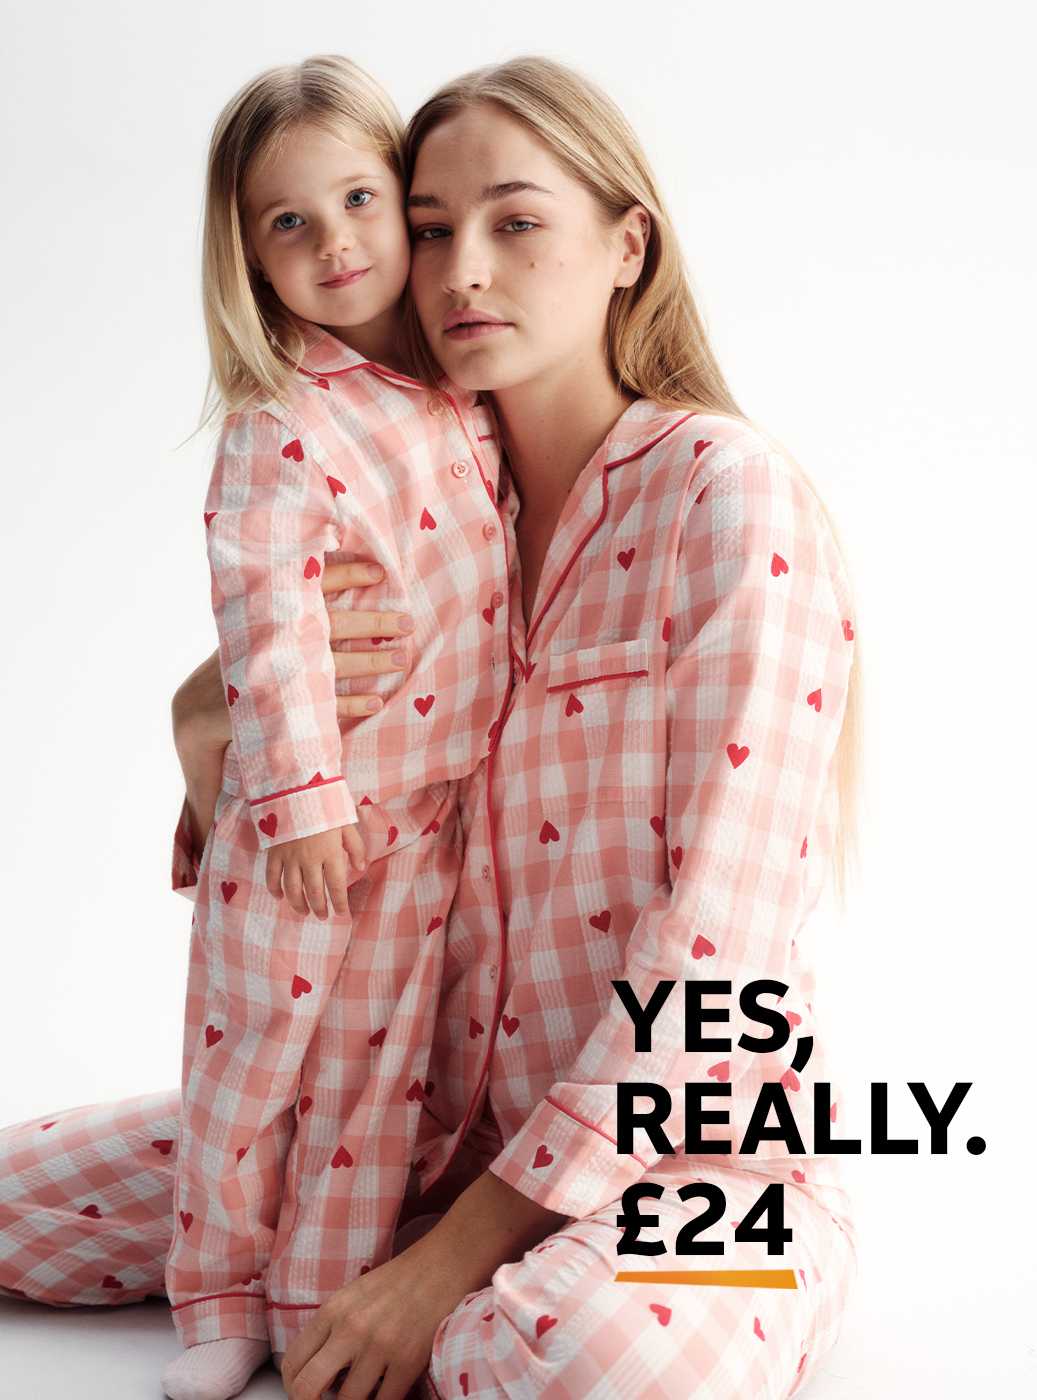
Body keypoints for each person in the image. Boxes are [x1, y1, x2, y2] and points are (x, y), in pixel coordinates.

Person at [0, 55, 862, 1400]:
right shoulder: (415, 501)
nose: (462, 269)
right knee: (14, 1200)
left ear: (627, 243)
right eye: (432, 222)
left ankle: (507, 1287)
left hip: (698, 1164)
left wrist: (450, 1258)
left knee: (556, 1353)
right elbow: (298, 816)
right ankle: (362, 1272)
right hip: (403, 1127)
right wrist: (200, 723)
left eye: (517, 224)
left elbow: (719, 943)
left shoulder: (723, 498)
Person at [167, 53, 515, 1400]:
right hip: (302, 827)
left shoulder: (459, 393)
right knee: (254, 1067)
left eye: (361, 200)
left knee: (369, 1081)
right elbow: (267, 622)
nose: (336, 244)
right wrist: (301, 803)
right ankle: (214, 1300)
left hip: (426, 824)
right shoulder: (279, 423)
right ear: (247, 253)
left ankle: (317, 1296)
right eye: (290, 222)